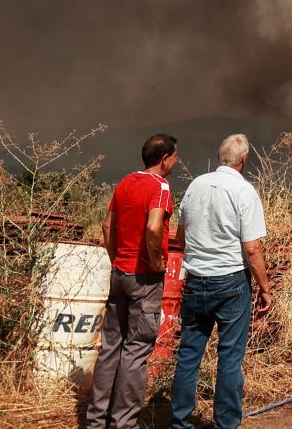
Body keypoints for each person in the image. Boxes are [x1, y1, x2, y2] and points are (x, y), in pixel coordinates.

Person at [169, 134, 272, 429]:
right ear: (243, 161)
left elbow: (179, 236)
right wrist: (265, 289)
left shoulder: (195, 186)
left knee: (189, 353)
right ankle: (226, 423)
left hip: (196, 279)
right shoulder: (244, 191)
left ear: (219, 158)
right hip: (230, 283)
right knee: (229, 356)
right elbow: (252, 248)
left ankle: (179, 422)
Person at [86, 132, 178, 429]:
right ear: (164, 159)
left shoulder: (125, 182)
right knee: (135, 352)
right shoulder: (161, 186)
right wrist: (155, 262)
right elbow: (153, 227)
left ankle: (96, 420)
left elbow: (106, 225)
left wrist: (117, 260)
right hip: (143, 279)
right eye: (176, 156)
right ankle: (124, 424)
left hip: (119, 275)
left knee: (110, 348)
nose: (177, 161)